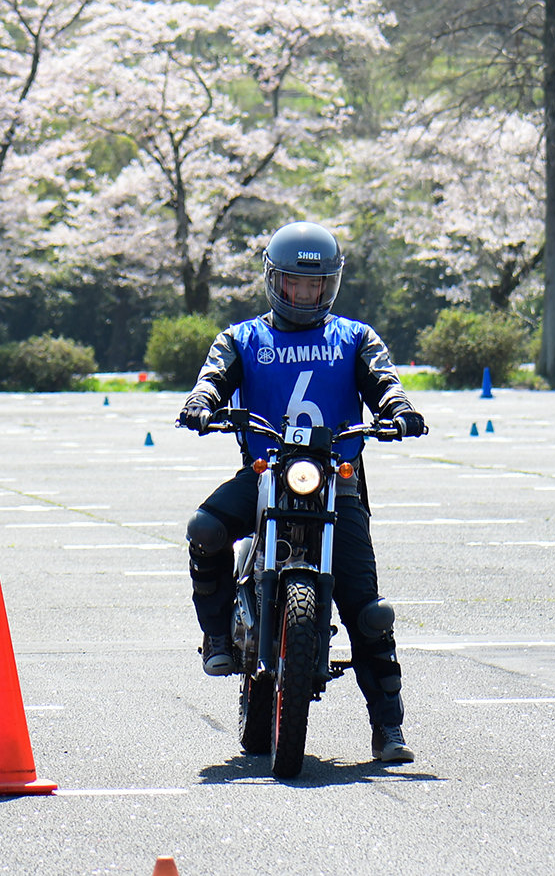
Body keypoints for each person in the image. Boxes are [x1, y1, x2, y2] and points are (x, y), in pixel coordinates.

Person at [176, 222, 429, 765]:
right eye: (295, 284)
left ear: (331, 285)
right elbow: (213, 377)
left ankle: (388, 729)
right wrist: (201, 403)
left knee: (368, 611)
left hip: (338, 482)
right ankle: (219, 637)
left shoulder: (356, 337)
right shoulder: (242, 338)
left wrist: (399, 412)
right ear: (274, 281)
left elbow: (385, 381)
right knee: (205, 529)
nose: (306, 295)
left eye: (316, 286)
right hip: (267, 470)